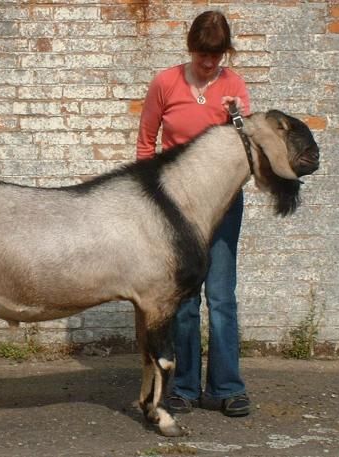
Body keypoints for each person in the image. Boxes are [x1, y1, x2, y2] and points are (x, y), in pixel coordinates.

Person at [135, 10, 251, 417]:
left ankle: (226, 388)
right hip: (174, 211)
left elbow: (244, 153)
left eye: (217, 55)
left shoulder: (234, 85)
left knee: (221, 298)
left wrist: (239, 117)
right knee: (183, 300)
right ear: (191, 48)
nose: (209, 63)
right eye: (203, 54)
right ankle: (182, 386)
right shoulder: (166, 82)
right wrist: (148, 200)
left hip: (221, 208)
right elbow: (146, 143)